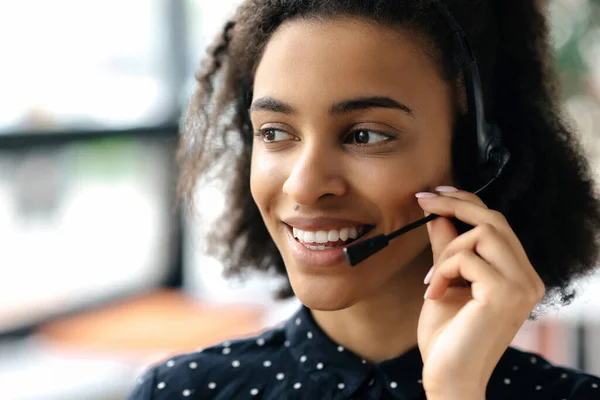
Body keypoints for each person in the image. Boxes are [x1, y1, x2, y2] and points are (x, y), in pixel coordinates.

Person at [127, 0, 600, 399]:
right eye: (274, 132)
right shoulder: (179, 390)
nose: (304, 185)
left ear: (477, 156)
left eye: (365, 135)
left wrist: (455, 389)